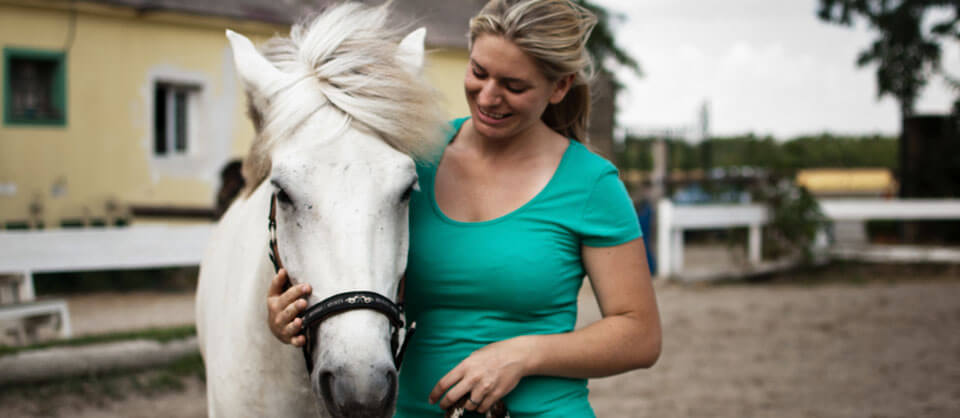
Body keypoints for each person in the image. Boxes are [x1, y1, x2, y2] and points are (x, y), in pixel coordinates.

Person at [266, 0, 662, 416]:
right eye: (479, 72)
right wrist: (289, 315)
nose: (489, 97)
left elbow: (640, 335)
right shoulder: (406, 166)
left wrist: (522, 355)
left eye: (514, 86)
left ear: (559, 87)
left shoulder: (590, 184)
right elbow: (343, 257)